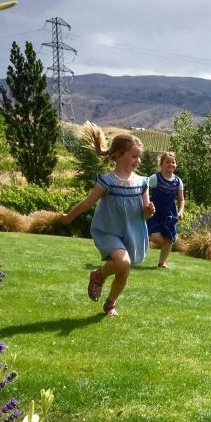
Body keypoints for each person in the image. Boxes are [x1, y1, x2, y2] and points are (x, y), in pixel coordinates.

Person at [60, 122, 155, 316]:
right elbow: (87, 203)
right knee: (124, 262)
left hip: (131, 232)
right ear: (118, 156)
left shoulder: (142, 183)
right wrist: (68, 217)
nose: (138, 160)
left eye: (139, 157)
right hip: (109, 231)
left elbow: (144, 213)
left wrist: (149, 211)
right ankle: (98, 275)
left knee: (123, 271)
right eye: (134, 156)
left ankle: (110, 303)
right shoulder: (107, 181)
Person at [146, 152, 185, 268]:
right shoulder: (154, 178)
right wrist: (148, 205)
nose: (170, 164)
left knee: (169, 238)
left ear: (176, 165)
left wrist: (181, 211)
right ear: (161, 164)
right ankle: (145, 237)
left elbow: (181, 199)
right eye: (167, 162)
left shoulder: (178, 181)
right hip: (154, 214)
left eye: (173, 162)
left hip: (170, 215)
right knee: (156, 238)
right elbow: (145, 193)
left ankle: (162, 263)